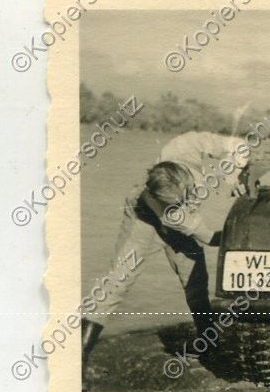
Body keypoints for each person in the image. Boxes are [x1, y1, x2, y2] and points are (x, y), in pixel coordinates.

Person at [81, 132, 249, 364]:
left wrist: (233, 177)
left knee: (195, 277)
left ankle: (209, 344)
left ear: (185, 180)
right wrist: (236, 235)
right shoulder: (170, 212)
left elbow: (238, 146)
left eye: (182, 199)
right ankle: (79, 354)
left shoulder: (183, 145)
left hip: (179, 213)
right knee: (119, 280)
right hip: (143, 218)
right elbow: (210, 238)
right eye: (173, 203)